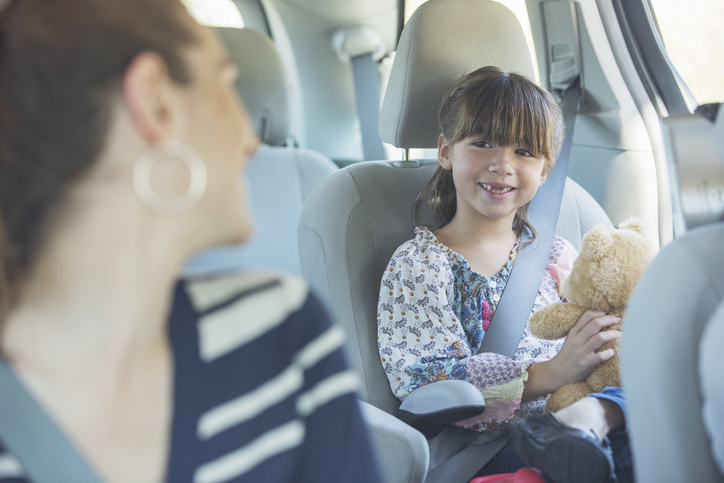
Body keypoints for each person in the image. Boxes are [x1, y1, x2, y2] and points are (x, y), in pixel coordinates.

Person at [0, 0, 382, 481]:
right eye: (226, 83)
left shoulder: (285, 335)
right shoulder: (276, 339)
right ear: (156, 102)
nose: (249, 137)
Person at [377, 66, 632, 483]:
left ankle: (591, 416)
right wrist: (551, 373)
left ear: (545, 171)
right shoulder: (421, 265)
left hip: (581, 420)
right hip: (491, 450)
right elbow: (428, 381)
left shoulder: (557, 254)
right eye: (482, 143)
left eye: (525, 152)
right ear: (445, 151)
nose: (502, 164)